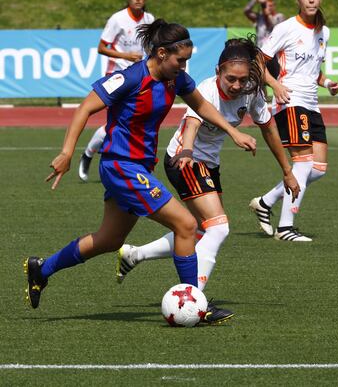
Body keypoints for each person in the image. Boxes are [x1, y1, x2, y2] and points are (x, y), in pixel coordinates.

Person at [24, 19, 258, 324]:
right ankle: (194, 301)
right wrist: (67, 152)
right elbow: (85, 108)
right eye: (179, 60)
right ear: (161, 53)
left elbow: (201, 105)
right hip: (121, 166)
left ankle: (41, 269)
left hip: (137, 168)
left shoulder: (177, 79)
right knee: (187, 224)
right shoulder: (130, 78)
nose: (183, 66)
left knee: (109, 239)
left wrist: (232, 130)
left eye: (187, 60)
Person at [115, 37, 300, 321]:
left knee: (201, 230)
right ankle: (193, 299)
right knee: (219, 228)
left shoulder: (251, 93)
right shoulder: (206, 89)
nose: (236, 85)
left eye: (242, 79)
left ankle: (135, 254)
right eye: (230, 79)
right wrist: (188, 150)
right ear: (218, 71)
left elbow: (269, 129)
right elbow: (192, 123)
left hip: (208, 165)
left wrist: (287, 171)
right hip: (184, 160)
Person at [249, 0, 338, 242]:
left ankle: (265, 202)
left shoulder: (325, 32)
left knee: (318, 168)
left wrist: (327, 83)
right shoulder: (286, 28)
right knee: (302, 162)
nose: (311, 0)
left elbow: (314, 69)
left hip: (311, 101)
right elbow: (259, 59)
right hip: (289, 99)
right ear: (298, 0)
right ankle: (286, 227)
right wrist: (275, 84)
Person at [79, 0, 154, 182]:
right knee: (117, 123)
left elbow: (150, 48)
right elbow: (101, 47)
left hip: (140, 77)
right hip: (118, 77)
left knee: (128, 123)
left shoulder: (149, 18)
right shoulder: (117, 19)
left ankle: (90, 154)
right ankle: (89, 155)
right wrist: (126, 56)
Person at [244, 0, 285, 79]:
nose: (268, 8)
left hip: (274, 56)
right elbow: (246, 11)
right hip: (259, 54)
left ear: (274, 6)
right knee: (259, 80)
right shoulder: (259, 18)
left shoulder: (280, 17)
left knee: (277, 80)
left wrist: (268, 15)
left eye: (270, 5)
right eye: (265, 5)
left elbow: (274, 24)